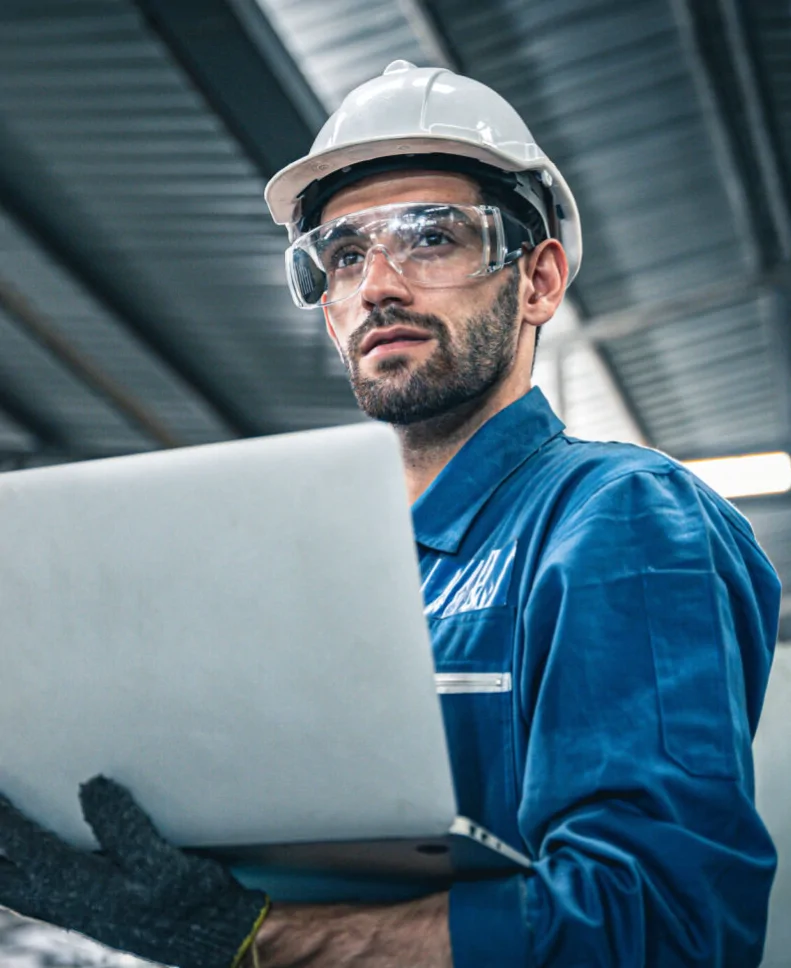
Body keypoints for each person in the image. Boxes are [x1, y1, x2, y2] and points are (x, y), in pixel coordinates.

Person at [0, 61, 781, 968]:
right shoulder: (316, 573)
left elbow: (660, 925)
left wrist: (256, 941)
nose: (376, 285)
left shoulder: (618, 520)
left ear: (537, 280)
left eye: (431, 238)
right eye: (342, 256)